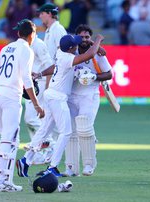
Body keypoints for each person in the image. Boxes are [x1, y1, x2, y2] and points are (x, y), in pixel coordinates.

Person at [16, 33, 104, 178]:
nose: (77, 45)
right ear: (71, 48)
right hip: (58, 98)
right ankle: (52, 167)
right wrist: (98, 40)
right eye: (75, 44)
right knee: (66, 132)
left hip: (51, 94)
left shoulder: (61, 52)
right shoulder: (68, 58)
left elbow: (54, 66)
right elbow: (90, 55)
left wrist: (40, 74)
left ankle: (26, 160)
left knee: (45, 129)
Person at [0, 19, 44, 192]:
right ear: (32, 35)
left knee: (5, 137)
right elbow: (27, 79)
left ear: (18, 33)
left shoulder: (7, 47)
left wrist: (2, 84)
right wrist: (36, 105)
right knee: (10, 139)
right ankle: (3, 181)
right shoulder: (27, 50)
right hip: (10, 98)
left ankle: (1, 179)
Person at [63, 24, 112, 177]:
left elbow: (109, 74)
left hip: (89, 96)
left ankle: (89, 165)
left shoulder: (98, 53)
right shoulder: (71, 51)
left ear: (91, 38)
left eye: (87, 37)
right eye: (81, 37)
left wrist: (93, 77)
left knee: (84, 127)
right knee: (70, 131)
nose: (84, 39)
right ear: (76, 38)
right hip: (71, 96)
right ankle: (71, 168)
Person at [36, 2, 67, 161]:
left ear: (49, 13)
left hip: (54, 80)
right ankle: (47, 150)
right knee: (47, 116)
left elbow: (61, 58)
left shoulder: (58, 29)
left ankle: (49, 149)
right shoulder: (49, 31)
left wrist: (49, 82)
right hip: (49, 78)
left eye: (42, 13)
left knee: (49, 116)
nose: (40, 16)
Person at [24, 35, 55, 165]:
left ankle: (50, 143)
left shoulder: (39, 44)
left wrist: (47, 86)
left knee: (31, 118)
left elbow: (50, 66)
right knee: (35, 119)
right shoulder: (25, 44)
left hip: (40, 83)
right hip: (31, 84)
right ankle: (38, 153)